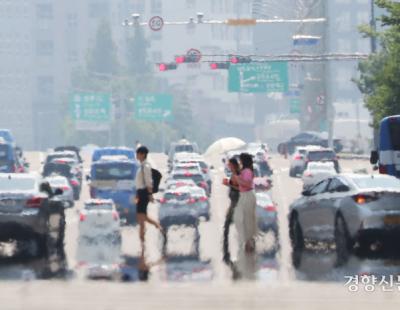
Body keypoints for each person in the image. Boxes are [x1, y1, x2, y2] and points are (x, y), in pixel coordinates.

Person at [135, 146, 163, 247]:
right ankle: (142, 239)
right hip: (140, 193)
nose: (137, 155)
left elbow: (148, 181)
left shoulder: (145, 166)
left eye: (138, 153)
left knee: (141, 216)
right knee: (141, 218)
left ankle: (157, 225)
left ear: (142, 154)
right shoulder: (142, 166)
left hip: (143, 193)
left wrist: (150, 194)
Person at [232, 153, 257, 254]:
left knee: (246, 219)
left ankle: (249, 242)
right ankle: (247, 241)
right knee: (242, 219)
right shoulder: (244, 171)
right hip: (244, 195)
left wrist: (238, 179)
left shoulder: (247, 171)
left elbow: (247, 184)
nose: (239, 162)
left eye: (240, 160)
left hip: (247, 195)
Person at [222, 158, 240, 263]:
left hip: (239, 205)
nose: (229, 167)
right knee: (226, 229)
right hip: (233, 204)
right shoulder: (233, 174)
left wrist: (229, 184)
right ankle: (226, 253)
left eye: (230, 165)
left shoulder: (239, 174)